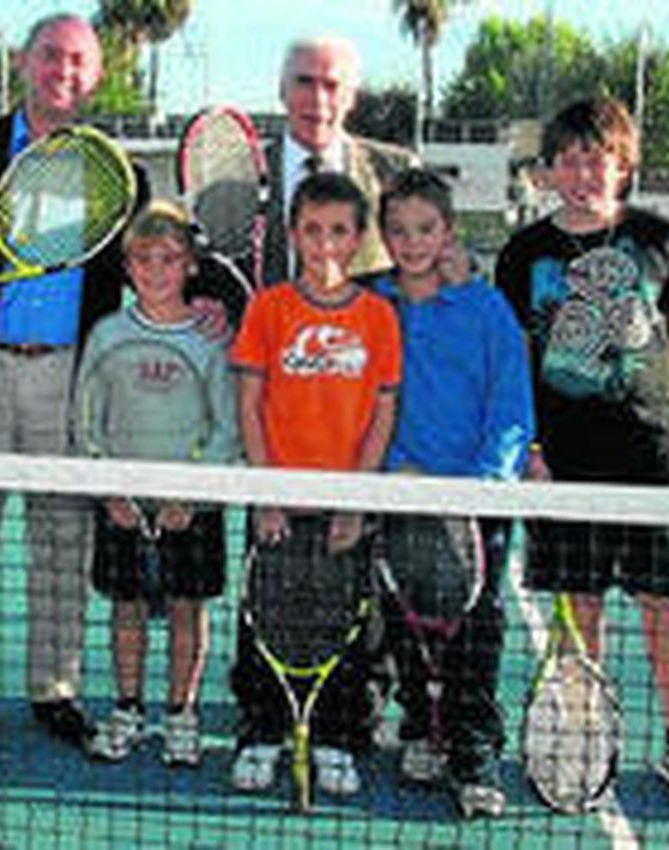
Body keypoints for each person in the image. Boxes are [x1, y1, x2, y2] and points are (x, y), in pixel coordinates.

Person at [0, 12, 145, 750]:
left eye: (79, 61)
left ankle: (56, 688)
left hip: (69, 380)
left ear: (97, 75)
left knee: (60, 543)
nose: (63, 72)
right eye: (51, 56)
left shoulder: (121, 175)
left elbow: (159, 266)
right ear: (24, 62)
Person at [494, 96, 669, 819]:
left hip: (657, 458)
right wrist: (529, 447)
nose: (582, 171)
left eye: (596, 157)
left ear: (623, 164)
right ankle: (580, 737)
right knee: (579, 607)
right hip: (564, 463)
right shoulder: (524, 253)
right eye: (567, 158)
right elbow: (515, 360)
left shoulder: (661, 237)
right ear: (549, 171)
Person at [227, 171, 399, 798]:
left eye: (339, 231)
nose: (325, 243)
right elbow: (249, 405)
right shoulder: (268, 307)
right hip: (277, 502)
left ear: (357, 239)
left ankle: (337, 737)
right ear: (293, 234)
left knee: (346, 627)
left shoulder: (378, 316)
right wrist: (267, 491)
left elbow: (383, 411)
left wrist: (356, 499)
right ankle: (261, 732)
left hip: (344, 506)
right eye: (312, 230)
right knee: (266, 622)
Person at [372, 169, 533, 819]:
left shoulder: (485, 307)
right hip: (399, 496)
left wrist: (482, 485)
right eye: (399, 230)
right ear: (384, 237)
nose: (413, 243)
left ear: (449, 233)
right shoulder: (371, 305)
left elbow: (510, 401)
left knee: (477, 628)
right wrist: (391, 473)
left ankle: (473, 749)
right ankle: (420, 726)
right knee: (405, 619)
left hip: (473, 504)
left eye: (426, 229)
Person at [74, 201, 239, 767]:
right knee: (127, 611)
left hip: (191, 508)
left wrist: (189, 494)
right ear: (127, 266)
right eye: (143, 259)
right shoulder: (107, 334)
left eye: (169, 259)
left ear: (190, 266)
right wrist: (110, 490)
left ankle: (181, 716)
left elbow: (226, 427)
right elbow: (85, 421)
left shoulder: (211, 339)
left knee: (189, 611)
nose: (156, 270)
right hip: (123, 504)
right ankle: (126, 709)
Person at [262, 36, 418, 284]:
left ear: (351, 98)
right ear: (282, 90)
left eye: (331, 86)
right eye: (304, 82)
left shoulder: (395, 172)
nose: (317, 100)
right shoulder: (241, 175)